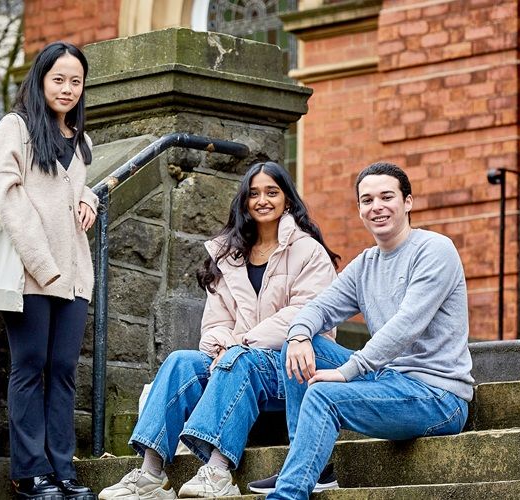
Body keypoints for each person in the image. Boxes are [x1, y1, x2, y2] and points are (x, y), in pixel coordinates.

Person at [99, 161, 341, 499]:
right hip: (234, 362)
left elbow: (303, 315)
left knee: (242, 359)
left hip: (290, 368)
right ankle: (150, 475)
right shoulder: (229, 255)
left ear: (288, 200)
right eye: (253, 194)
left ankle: (217, 471)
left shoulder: (309, 252)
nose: (262, 200)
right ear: (243, 202)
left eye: (272, 192)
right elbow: (214, 325)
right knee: (181, 362)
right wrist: (224, 346)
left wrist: (239, 344)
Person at [258, 161, 473, 499]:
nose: (377, 207)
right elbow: (319, 307)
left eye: (387, 197)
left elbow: (406, 326)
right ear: (359, 209)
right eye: (367, 200)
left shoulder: (434, 250)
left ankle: (288, 492)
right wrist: (298, 334)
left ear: (408, 202)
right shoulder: (365, 264)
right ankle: (311, 466)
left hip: (437, 397)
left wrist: (347, 371)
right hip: (388, 381)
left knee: (324, 395)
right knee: (298, 347)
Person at [0, 41, 98, 500]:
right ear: (40, 80)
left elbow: (74, 191)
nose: (68, 88)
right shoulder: (15, 128)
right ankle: (29, 470)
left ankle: (62, 469)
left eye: (76, 81)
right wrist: (43, 266)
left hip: (75, 275)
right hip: (31, 274)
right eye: (59, 79)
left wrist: (89, 199)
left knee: (63, 370)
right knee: (30, 367)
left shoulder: (83, 140)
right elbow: (8, 199)